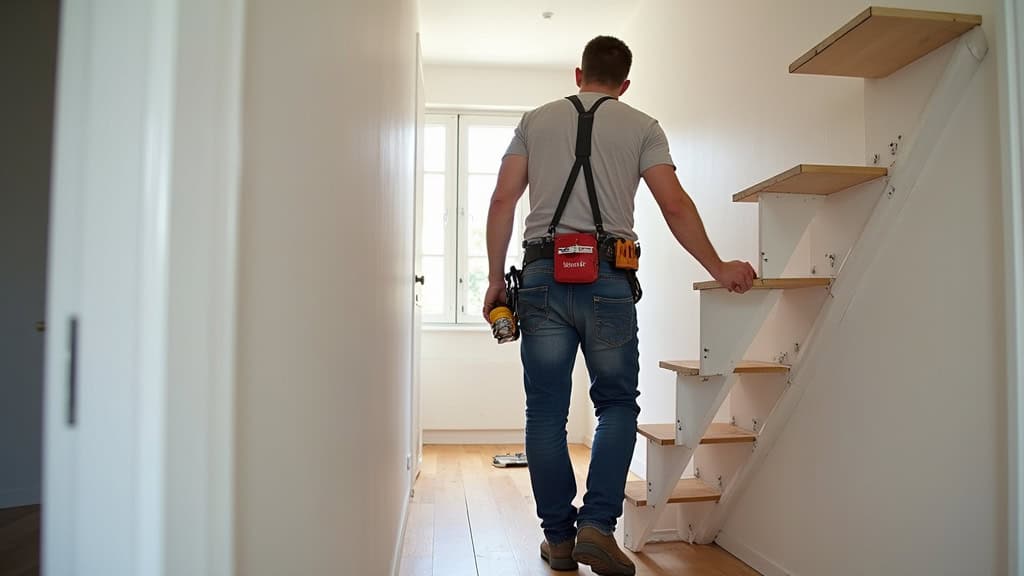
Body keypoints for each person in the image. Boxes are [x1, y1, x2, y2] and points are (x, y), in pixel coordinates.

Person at [482, 36, 756, 575]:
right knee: (615, 405)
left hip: (539, 278)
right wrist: (719, 268)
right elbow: (673, 204)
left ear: (579, 74)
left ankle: (558, 540)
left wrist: (495, 278)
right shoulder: (642, 125)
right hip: (609, 279)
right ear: (624, 84)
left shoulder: (534, 121)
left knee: (545, 413)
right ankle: (597, 527)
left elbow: (502, 198)